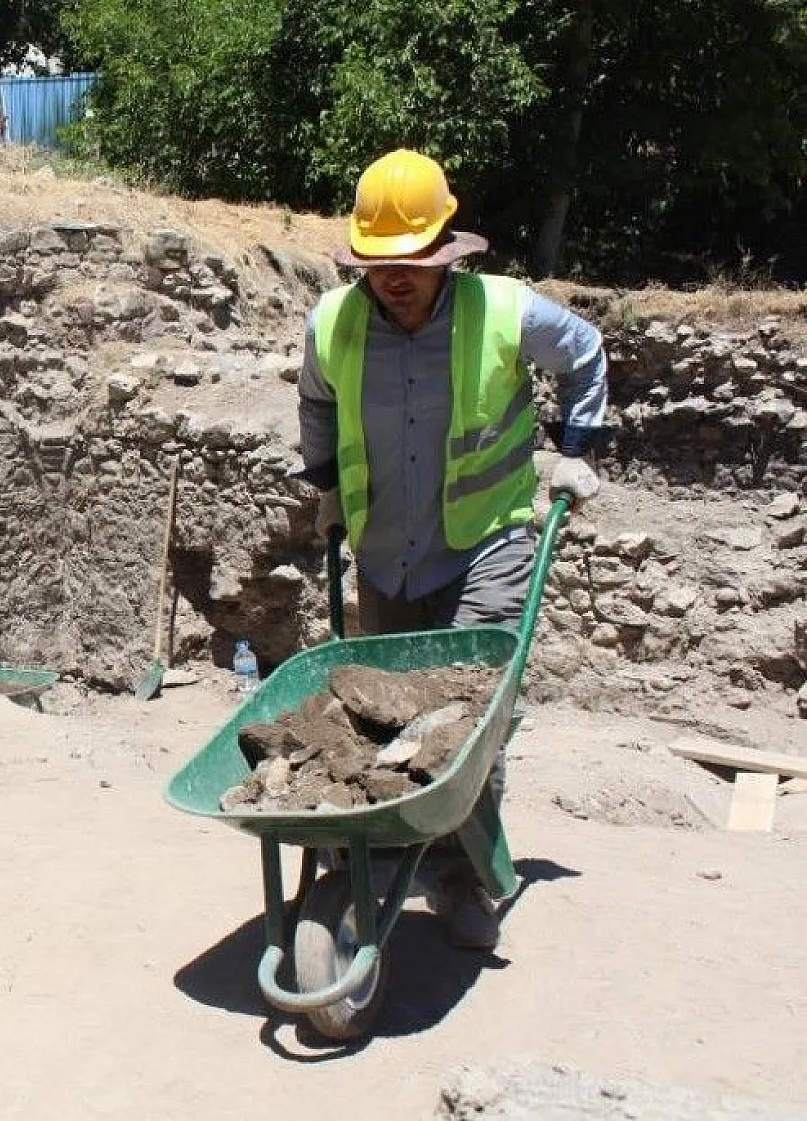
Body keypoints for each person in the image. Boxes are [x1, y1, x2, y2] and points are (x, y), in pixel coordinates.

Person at [297, 148, 609, 950]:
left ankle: (468, 872)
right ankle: (397, 847)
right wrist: (328, 489)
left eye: (413, 261)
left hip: (487, 545)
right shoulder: (330, 324)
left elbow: (584, 353)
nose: (395, 277)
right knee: (389, 713)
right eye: (378, 263)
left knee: (467, 718)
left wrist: (575, 450)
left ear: (445, 251)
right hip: (382, 552)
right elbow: (317, 405)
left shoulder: (505, 311)